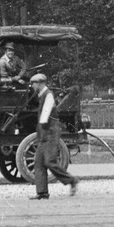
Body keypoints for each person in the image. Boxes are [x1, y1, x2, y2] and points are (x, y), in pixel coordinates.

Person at [28, 72, 78, 200]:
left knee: (50, 162)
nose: (32, 86)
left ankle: (71, 180)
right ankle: (42, 193)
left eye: (33, 83)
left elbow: (45, 116)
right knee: (38, 163)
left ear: (39, 84)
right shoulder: (42, 95)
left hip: (50, 132)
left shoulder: (48, 95)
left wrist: (40, 127)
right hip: (44, 133)